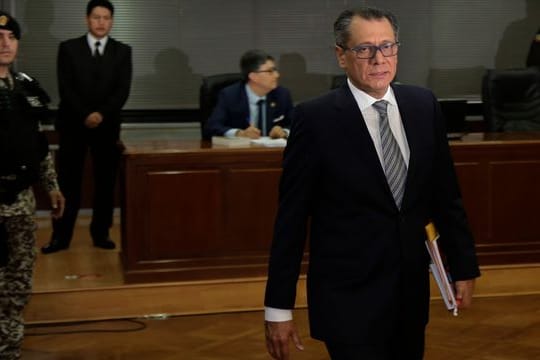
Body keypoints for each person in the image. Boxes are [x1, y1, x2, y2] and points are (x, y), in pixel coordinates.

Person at [264, 7, 481, 360]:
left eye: (388, 46)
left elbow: (446, 196)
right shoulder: (316, 118)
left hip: (410, 294)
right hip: (348, 297)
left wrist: (463, 266)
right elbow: (290, 220)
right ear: (341, 56)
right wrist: (278, 308)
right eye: (364, 49)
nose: (379, 59)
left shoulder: (422, 105)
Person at [42, 0, 132, 254]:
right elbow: (66, 88)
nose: (101, 22)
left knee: (105, 184)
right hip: (73, 125)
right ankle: (60, 237)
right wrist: (86, 114)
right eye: (96, 17)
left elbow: (122, 91)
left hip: (107, 127)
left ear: (112, 21)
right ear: (87, 20)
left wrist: (101, 114)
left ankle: (101, 233)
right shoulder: (69, 48)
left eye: (106, 18)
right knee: (68, 184)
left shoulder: (122, 51)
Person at [0, 11, 65, 359]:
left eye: (10, 36)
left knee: (18, 279)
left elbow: (38, 145)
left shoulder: (26, 87)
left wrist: (52, 186)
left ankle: (9, 348)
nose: (4, 43)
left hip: (21, 200)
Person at [203, 49, 293, 140]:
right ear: (253, 77)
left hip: (271, 152)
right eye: (270, 71)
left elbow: (295, 124)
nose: (277, 75)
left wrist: (284, 131)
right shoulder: (230, 95)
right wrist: (239, 133)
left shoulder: (282, 95)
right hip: (240, 151)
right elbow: (212, 127)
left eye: (275, 70)